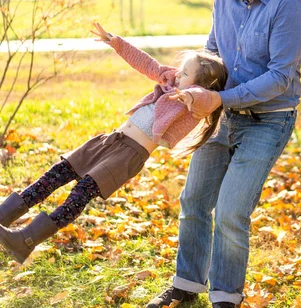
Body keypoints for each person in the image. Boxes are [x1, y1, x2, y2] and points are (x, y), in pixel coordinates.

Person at [147, 0, 301, 308]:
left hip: (268, 119)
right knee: (195, 200)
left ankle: (225, 297)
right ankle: (186, 286)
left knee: (233, 211)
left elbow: (280, 78)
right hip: (222, 116)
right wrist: (190, 77)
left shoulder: (288, 7)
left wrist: (220, 99)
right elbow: (213, 49)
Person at [0, 22, 228, 264]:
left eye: (184, 74)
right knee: (57, 173)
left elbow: (206, 99)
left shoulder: (192, 105)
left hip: (127, 156)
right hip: (108, 141)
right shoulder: (170, 82)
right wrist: (115, 42)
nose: (177, 75)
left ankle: (25, 240)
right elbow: (146, 63)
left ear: (199, 84)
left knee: (80, 193)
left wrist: (190, 94)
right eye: (180, 71)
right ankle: (3, 215)